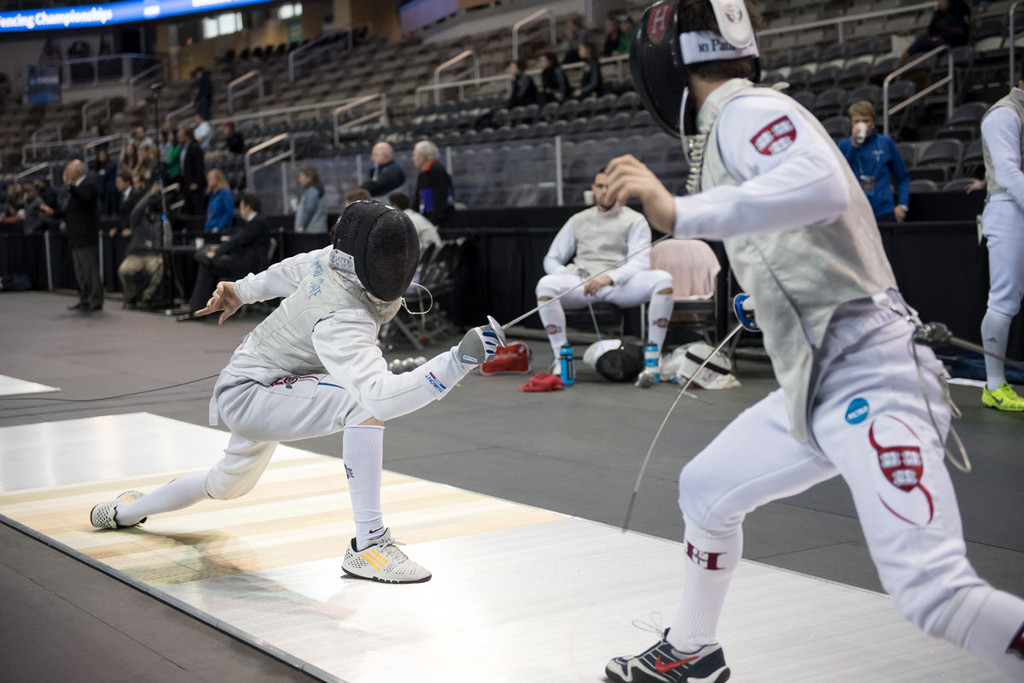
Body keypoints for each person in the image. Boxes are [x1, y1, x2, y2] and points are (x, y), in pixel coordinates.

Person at [602, 1, 1024, 681]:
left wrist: (681, 210)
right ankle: (692, 648)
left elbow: (823, 186)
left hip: (873, 377)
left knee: (934, 591)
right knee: (706, 489)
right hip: (820, 382)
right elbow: (796, 218)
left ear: (668, 68)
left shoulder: (743, 111)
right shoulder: (735, 120)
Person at [91, 201, 503, 585]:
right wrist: (455, 362)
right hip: (251, 393)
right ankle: (369, 545)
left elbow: (286, 271)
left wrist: (240, 290)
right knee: (360, 404)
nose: (396, 264)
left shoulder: (331, 261)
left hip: (262, 384)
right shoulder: (343, 318)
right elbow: (379, 398)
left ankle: (128, 510)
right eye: (388, 256)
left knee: (226, 485)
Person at [536, 168, 674, 369]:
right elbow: (551, 258)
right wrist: (567, 273)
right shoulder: (578, 219)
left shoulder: (634, 219)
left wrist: (609, 278)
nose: (605, 191)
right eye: (600, 186)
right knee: (545, 285)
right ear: (593, 189)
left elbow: (640, 261)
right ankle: (561, 357)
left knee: (663, 280)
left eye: (610, 186)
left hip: (619, 285)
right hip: (583, 284)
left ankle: (653, 356)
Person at [978, 74, 1024, 412]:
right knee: (1004, 300)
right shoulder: (1004, 114)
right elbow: (1008, 174)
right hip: (1008, 208)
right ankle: (994, 386)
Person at [180, 193, 270, 320]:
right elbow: (238, 240)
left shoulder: (258, 222)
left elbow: (238, 240)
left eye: (241, 206)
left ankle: (196, 310)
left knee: (206, 262)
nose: (240, 210)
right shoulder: (255, 222)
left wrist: (217, 252)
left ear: (248, 207)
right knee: (206, 263)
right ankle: (198, 308)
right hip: (240, 262)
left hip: (246, 266)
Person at [837, 100, 911, 223]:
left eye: (866, 121)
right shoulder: (844, 145)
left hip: (883, 211)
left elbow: (903, 176)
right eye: (857, 121)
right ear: (852, 123)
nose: (862, 125)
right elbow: (840, 175)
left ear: (873, 122)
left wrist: (903, 205)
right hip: (855, 212)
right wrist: (854, 147)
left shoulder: (885, 142)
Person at [45, 160, 103, 312]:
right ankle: (84, 299)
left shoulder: (88, 185)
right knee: (80, 272)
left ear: (78, 171)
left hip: (86, 236)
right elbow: (72, 212)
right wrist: (54, 213)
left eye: (69, 170)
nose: (67, 173)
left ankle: (95, 300)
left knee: (90, 271)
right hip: (76, 237)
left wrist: (70, 186)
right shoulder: (76, 189)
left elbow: (84, 200)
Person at [117, 182, 165, 308]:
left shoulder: (161, 221)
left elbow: (165, 235)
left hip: (152, 255)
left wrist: (160, 255)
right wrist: (150, 194)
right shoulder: (138, 219)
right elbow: (137, 209)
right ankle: (131, 296)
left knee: (158, 269)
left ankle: (146, 298)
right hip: (136, 254)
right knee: (124, 270)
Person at [905, 0, 970, 59]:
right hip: (936, 43)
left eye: (942, 0)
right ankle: (907, 64)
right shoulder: (938, 15)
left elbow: (957, 35)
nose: (940, 2)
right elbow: (931, 30)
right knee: (921, 41)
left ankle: (902, 61)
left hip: (950, 45)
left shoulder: (958, 15)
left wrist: (938, 38)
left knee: (920, 42)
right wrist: (931, 37)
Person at [412, 139, 455, 228]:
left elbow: (440, 200)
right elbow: (418, 199)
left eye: (414, 155)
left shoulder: (437, 171)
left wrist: (433, 222)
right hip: (425, 219)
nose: (413, 158)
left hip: (440, 222)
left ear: (423, 156)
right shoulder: (422, 174)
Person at [179, 125, 206, 216]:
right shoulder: (183, 147)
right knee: (189, 209)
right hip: (186, 182)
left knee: (197, 209)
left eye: (181, 133)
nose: (178, 135)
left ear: (187, 135)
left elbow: (199, 167)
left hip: (195, 184)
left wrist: (196, 182)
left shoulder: (195, 147)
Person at [108, 170, 142, 240]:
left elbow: (138, 214)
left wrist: (132, 230)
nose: (116, 185)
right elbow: (123, 215)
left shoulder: (136, 194)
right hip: (124, 232)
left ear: (127, 182)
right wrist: (116, 228)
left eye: (119, 183)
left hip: (134, 234)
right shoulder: (122, 196)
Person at [295, 166, 327, 234]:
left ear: (309, 177)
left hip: (312, 231)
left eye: (301, 176)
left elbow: (309, 210)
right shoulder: (313, 190)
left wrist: (302, 226)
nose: (299, 179)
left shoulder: (312, 191)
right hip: (316, 230)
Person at [205, 169, 234, 234]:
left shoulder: (225, 193)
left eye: (210, 178)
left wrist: (219, 227)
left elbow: (229, 213)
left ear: (217, 179)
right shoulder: (212, 195)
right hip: (210, 230)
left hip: (221, 230)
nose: (208, 181)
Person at [92, 148, 118, 216]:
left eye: (103, 155)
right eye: (100, 155)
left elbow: (109, 172)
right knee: (104, 211)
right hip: (101, 192)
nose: (101, 157)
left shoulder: (111, 164)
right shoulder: (97, 167)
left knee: (113, 210)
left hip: (111, 190)